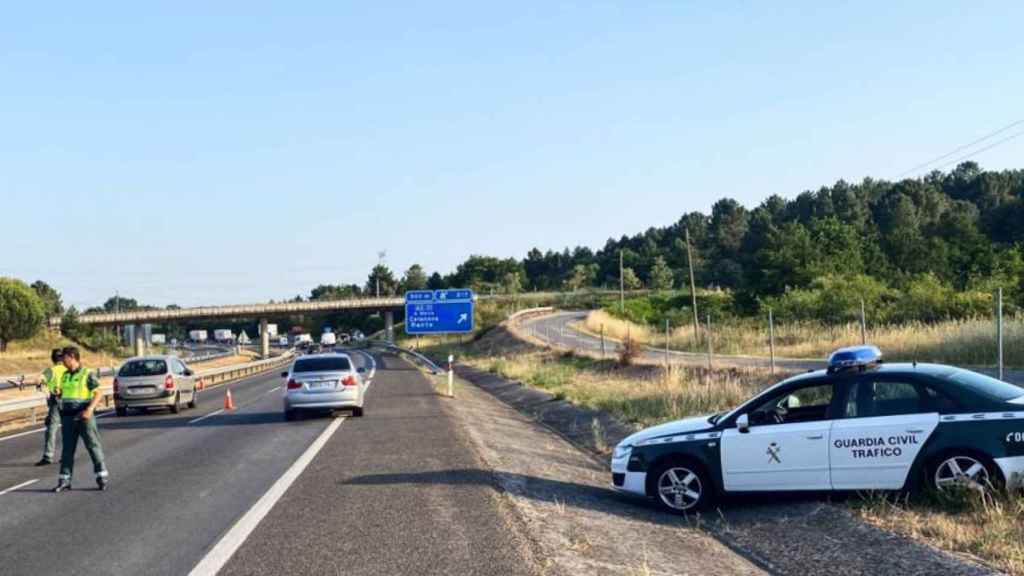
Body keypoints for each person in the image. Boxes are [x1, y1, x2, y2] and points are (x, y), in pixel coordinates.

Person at [53, 346, 109, 492]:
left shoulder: (87, 374)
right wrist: (59, 394)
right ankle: (65, 480)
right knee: (67, 450)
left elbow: (99, 393)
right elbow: (66, 393)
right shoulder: (65, 375)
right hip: (67, 417)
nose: (62, 361)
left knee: (93, 446)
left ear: (71, 357)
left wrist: (89, 410)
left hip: (83, 416)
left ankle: (101, 476)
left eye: (63, 358)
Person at [35, 348, 66, 466]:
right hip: (69, 401)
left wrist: (39, 385)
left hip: (56, 401)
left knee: (52, 429)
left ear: (52, 358)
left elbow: (39, 379)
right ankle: (66, 455)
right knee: (67, 429)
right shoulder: (69, 369)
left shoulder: (51, 370)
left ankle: (48, 456)